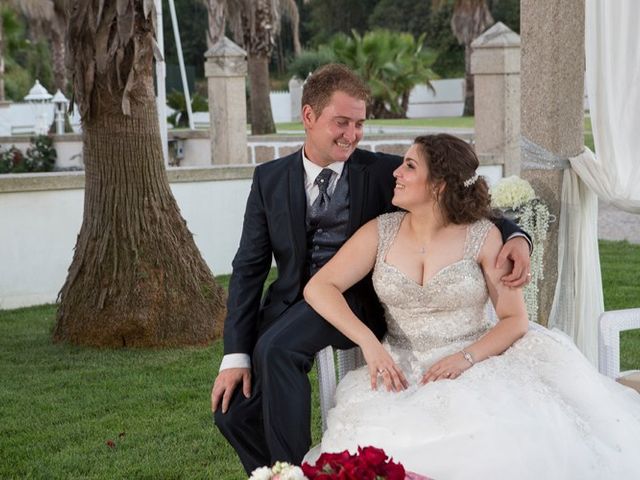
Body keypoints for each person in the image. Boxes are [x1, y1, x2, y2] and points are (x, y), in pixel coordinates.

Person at [211, 64, 532, 475]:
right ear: (309, 116)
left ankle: (293, 471)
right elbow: (248, 269)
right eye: (341, 122)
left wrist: (517, 236)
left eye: (360, 123)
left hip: (356, 300)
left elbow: (461, 195)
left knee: (278, 350)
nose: (352, 134)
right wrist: (235, 354)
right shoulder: (269, 179)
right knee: (231, 413)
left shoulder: (384, 172)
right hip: (293, 302)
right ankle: (273, 470)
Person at [303, 133, 640, 479]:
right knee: (375, 440)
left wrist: (465, 359)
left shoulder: (483, 235)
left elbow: (513, 319)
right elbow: (320, 287)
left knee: (493, 437)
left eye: (409, 166)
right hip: (401, 366)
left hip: (476, 361)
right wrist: (369, 344)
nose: (396, 173)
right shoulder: (380, 231)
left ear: (438, 186)